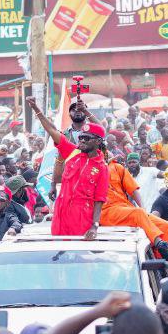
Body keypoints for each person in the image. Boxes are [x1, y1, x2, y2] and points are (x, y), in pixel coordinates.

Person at [29, 95, 109, 239]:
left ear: (97, 142)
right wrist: (36, 108)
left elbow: (99, 199)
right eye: (81, 137)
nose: (82, 140)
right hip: (60, 213)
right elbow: (52, 131)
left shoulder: (102, 167)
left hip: (81, 217)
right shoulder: (72, 152)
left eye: (86, 138)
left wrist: (95, 226)